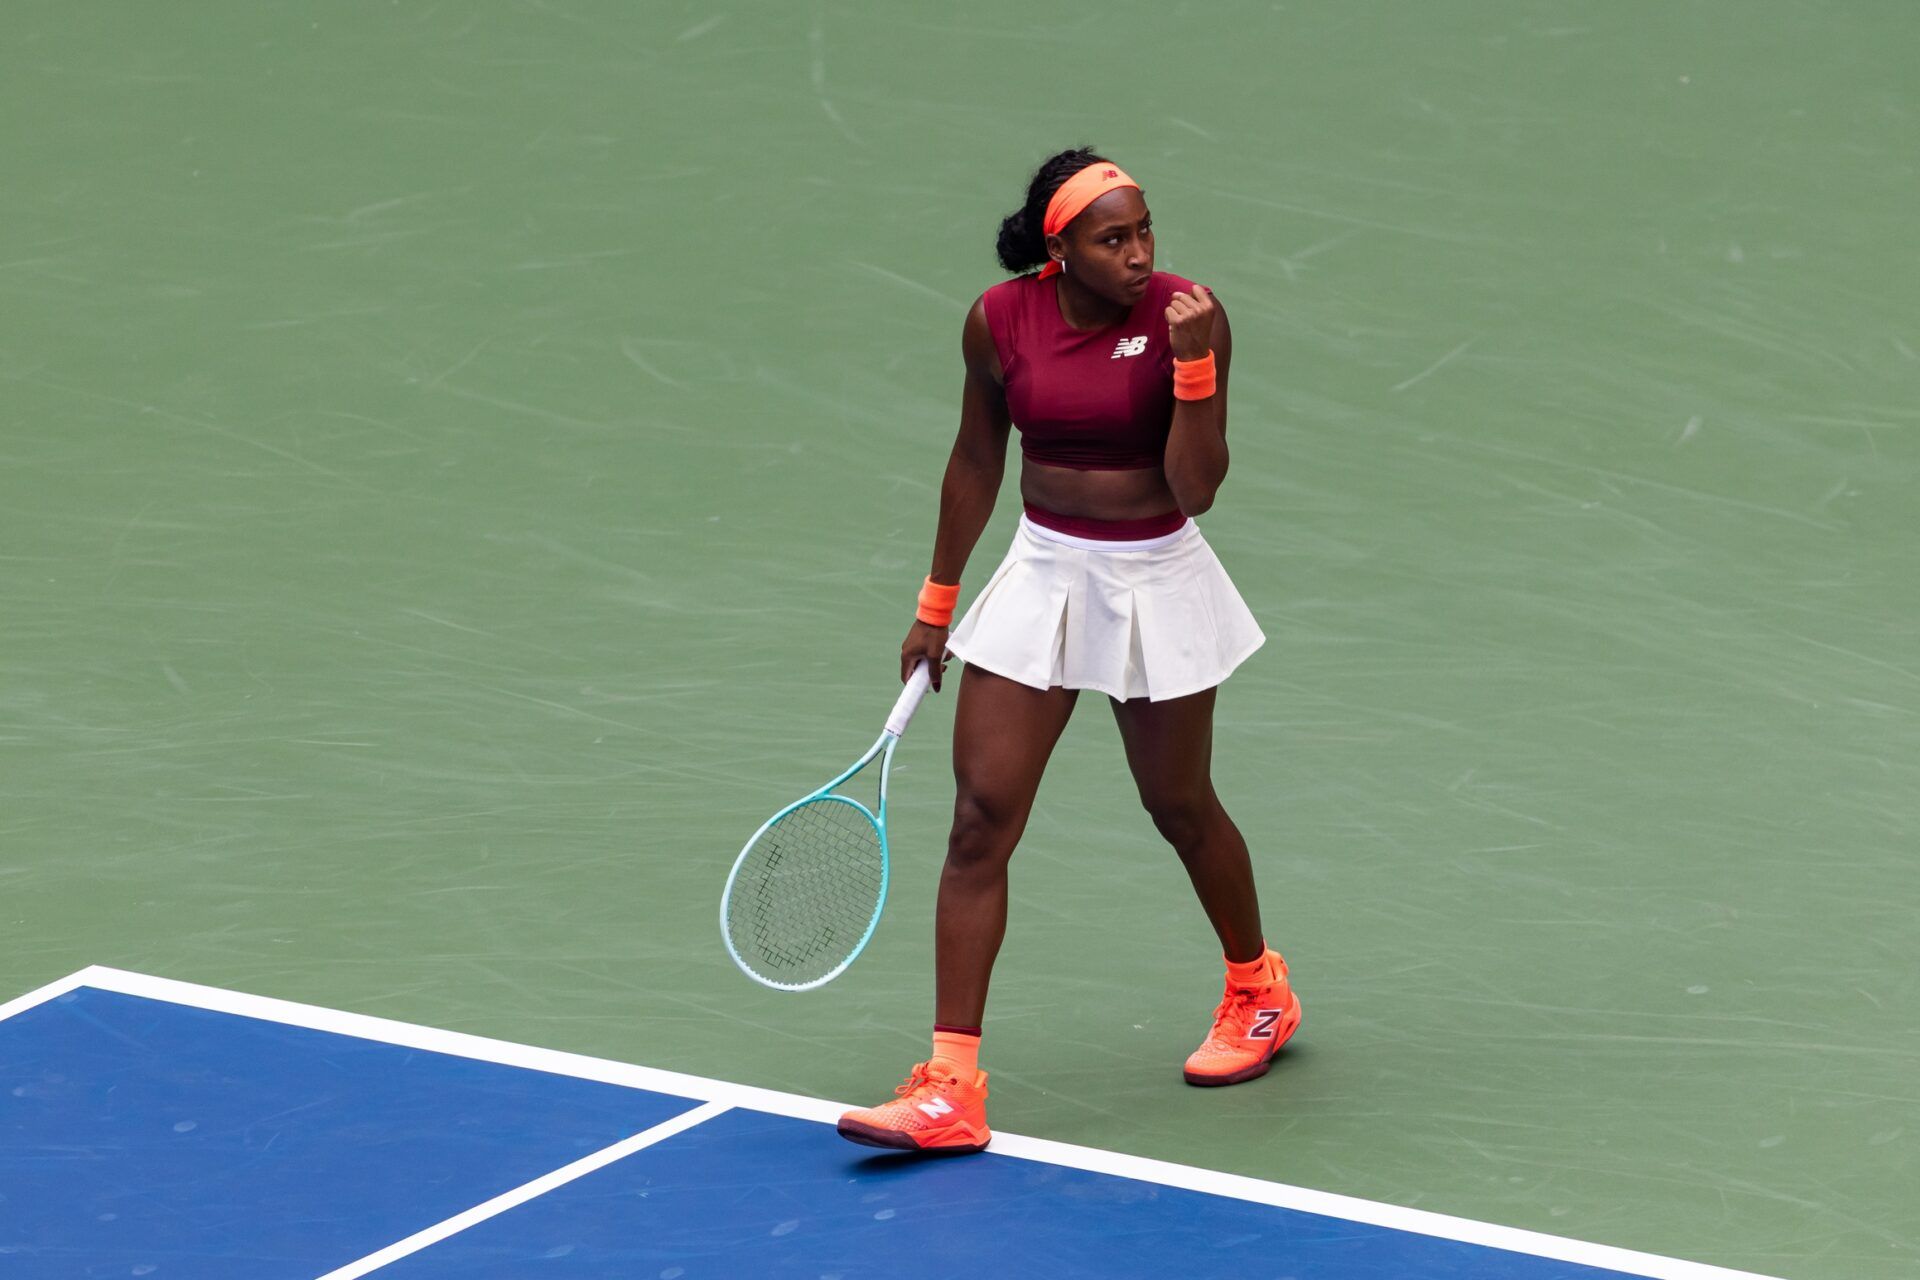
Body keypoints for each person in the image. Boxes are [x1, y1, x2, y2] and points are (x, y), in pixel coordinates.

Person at [836, 149, 1300, 1154]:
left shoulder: (1190, 313)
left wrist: (1193, 364)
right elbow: (974, 457)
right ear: (1060, 250)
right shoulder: (998, 321)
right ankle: (952, 1084)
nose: (1139, 255)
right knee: (979, 819)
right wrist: (936, 601)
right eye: (1113, 238)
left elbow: (1198, 486)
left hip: (1156, 574)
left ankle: (1258, 987)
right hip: (1045, 572)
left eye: (1144, 233)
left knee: (1178, 802)